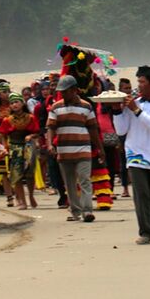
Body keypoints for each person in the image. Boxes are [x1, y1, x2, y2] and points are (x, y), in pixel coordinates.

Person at [114, 66, 150, 244]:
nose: (138, 85)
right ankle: (145, 231)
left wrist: (136, 110)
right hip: (135, 155)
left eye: (142, 82)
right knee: (141, 194)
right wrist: (118, 111)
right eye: (138, 81)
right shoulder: (134, 103)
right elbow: (121, 129)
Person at [47, 76, 104, 223]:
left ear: (74, 90)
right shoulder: (56, 107)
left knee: (85, 179)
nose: (63, 94)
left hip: (83, 149)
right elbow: (51, 128)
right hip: (64, 150)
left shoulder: (86, 106)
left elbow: (93, 129)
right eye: (61, 92)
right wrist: (49, 144)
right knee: (70, 183)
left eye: (65, 91)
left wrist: (100, 149)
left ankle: (87, 211)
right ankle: (75, 211)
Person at [0, 93, 40, 210]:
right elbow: (3, 135)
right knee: (17, 176)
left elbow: (37, 132)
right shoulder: (7, 120)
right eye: (12, 103)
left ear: (22, 103)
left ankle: (31, 196)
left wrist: (31, 136)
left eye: (16, 102)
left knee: (30, 173)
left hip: (28, 147)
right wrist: (5, 148)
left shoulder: (31, 118)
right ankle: (21, 201)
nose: (14, 105)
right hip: (14, 149)